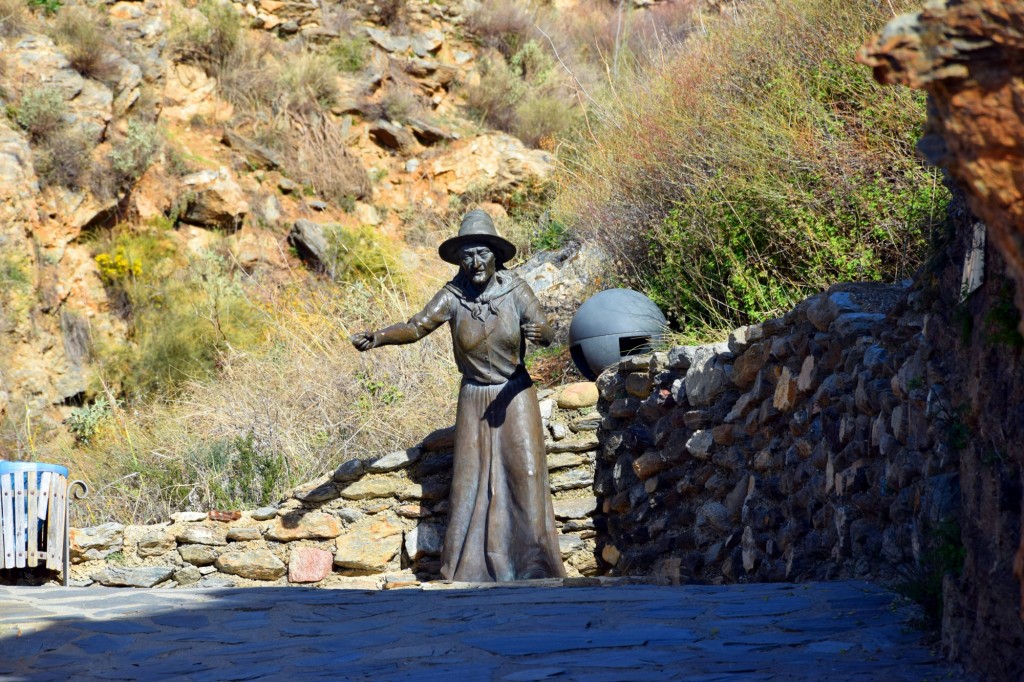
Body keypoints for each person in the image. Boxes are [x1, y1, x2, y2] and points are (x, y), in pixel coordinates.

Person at [351, 209, 566, 582]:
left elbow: (546, 329)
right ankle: (470, 566)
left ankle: (534, 563)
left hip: (515, 394)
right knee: (469, 480)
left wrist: (540, 335)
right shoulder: (452, 296)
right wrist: (380, 337)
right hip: (474, 398)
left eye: (481, 252)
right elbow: (416, 326)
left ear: (495, 254)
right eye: (467, 255)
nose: (475, 262)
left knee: (526, 472)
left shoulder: (516, 291)